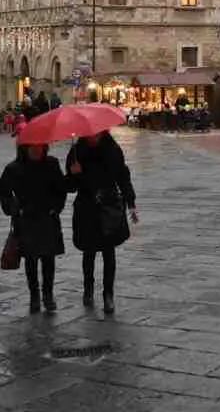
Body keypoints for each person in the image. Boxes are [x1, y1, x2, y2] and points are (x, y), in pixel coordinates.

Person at [65, 133, 138, 313]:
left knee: (108, 251)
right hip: (86, 207)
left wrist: (131, 203)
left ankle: (108, 294)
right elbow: (71, 187)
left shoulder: (112, 150)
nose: (92, 136)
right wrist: (74, 175)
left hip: (108, 206)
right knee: (88, 251)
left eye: (96, 133)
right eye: (89, 133)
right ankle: (88, 289)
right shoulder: (76, 151)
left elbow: (123, 177)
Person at [0, 142, 66, 314]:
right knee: (30, 258)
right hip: (26, 219)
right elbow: (3, 190)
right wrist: (15, 208)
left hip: (47, 217)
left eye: (40, 146)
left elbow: (61, 189)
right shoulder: (14, 168)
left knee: (48, 258)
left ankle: (48, 295)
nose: (36, 150)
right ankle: (34, 295)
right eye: (32, 147)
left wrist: (55, 208)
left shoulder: (52, 164)